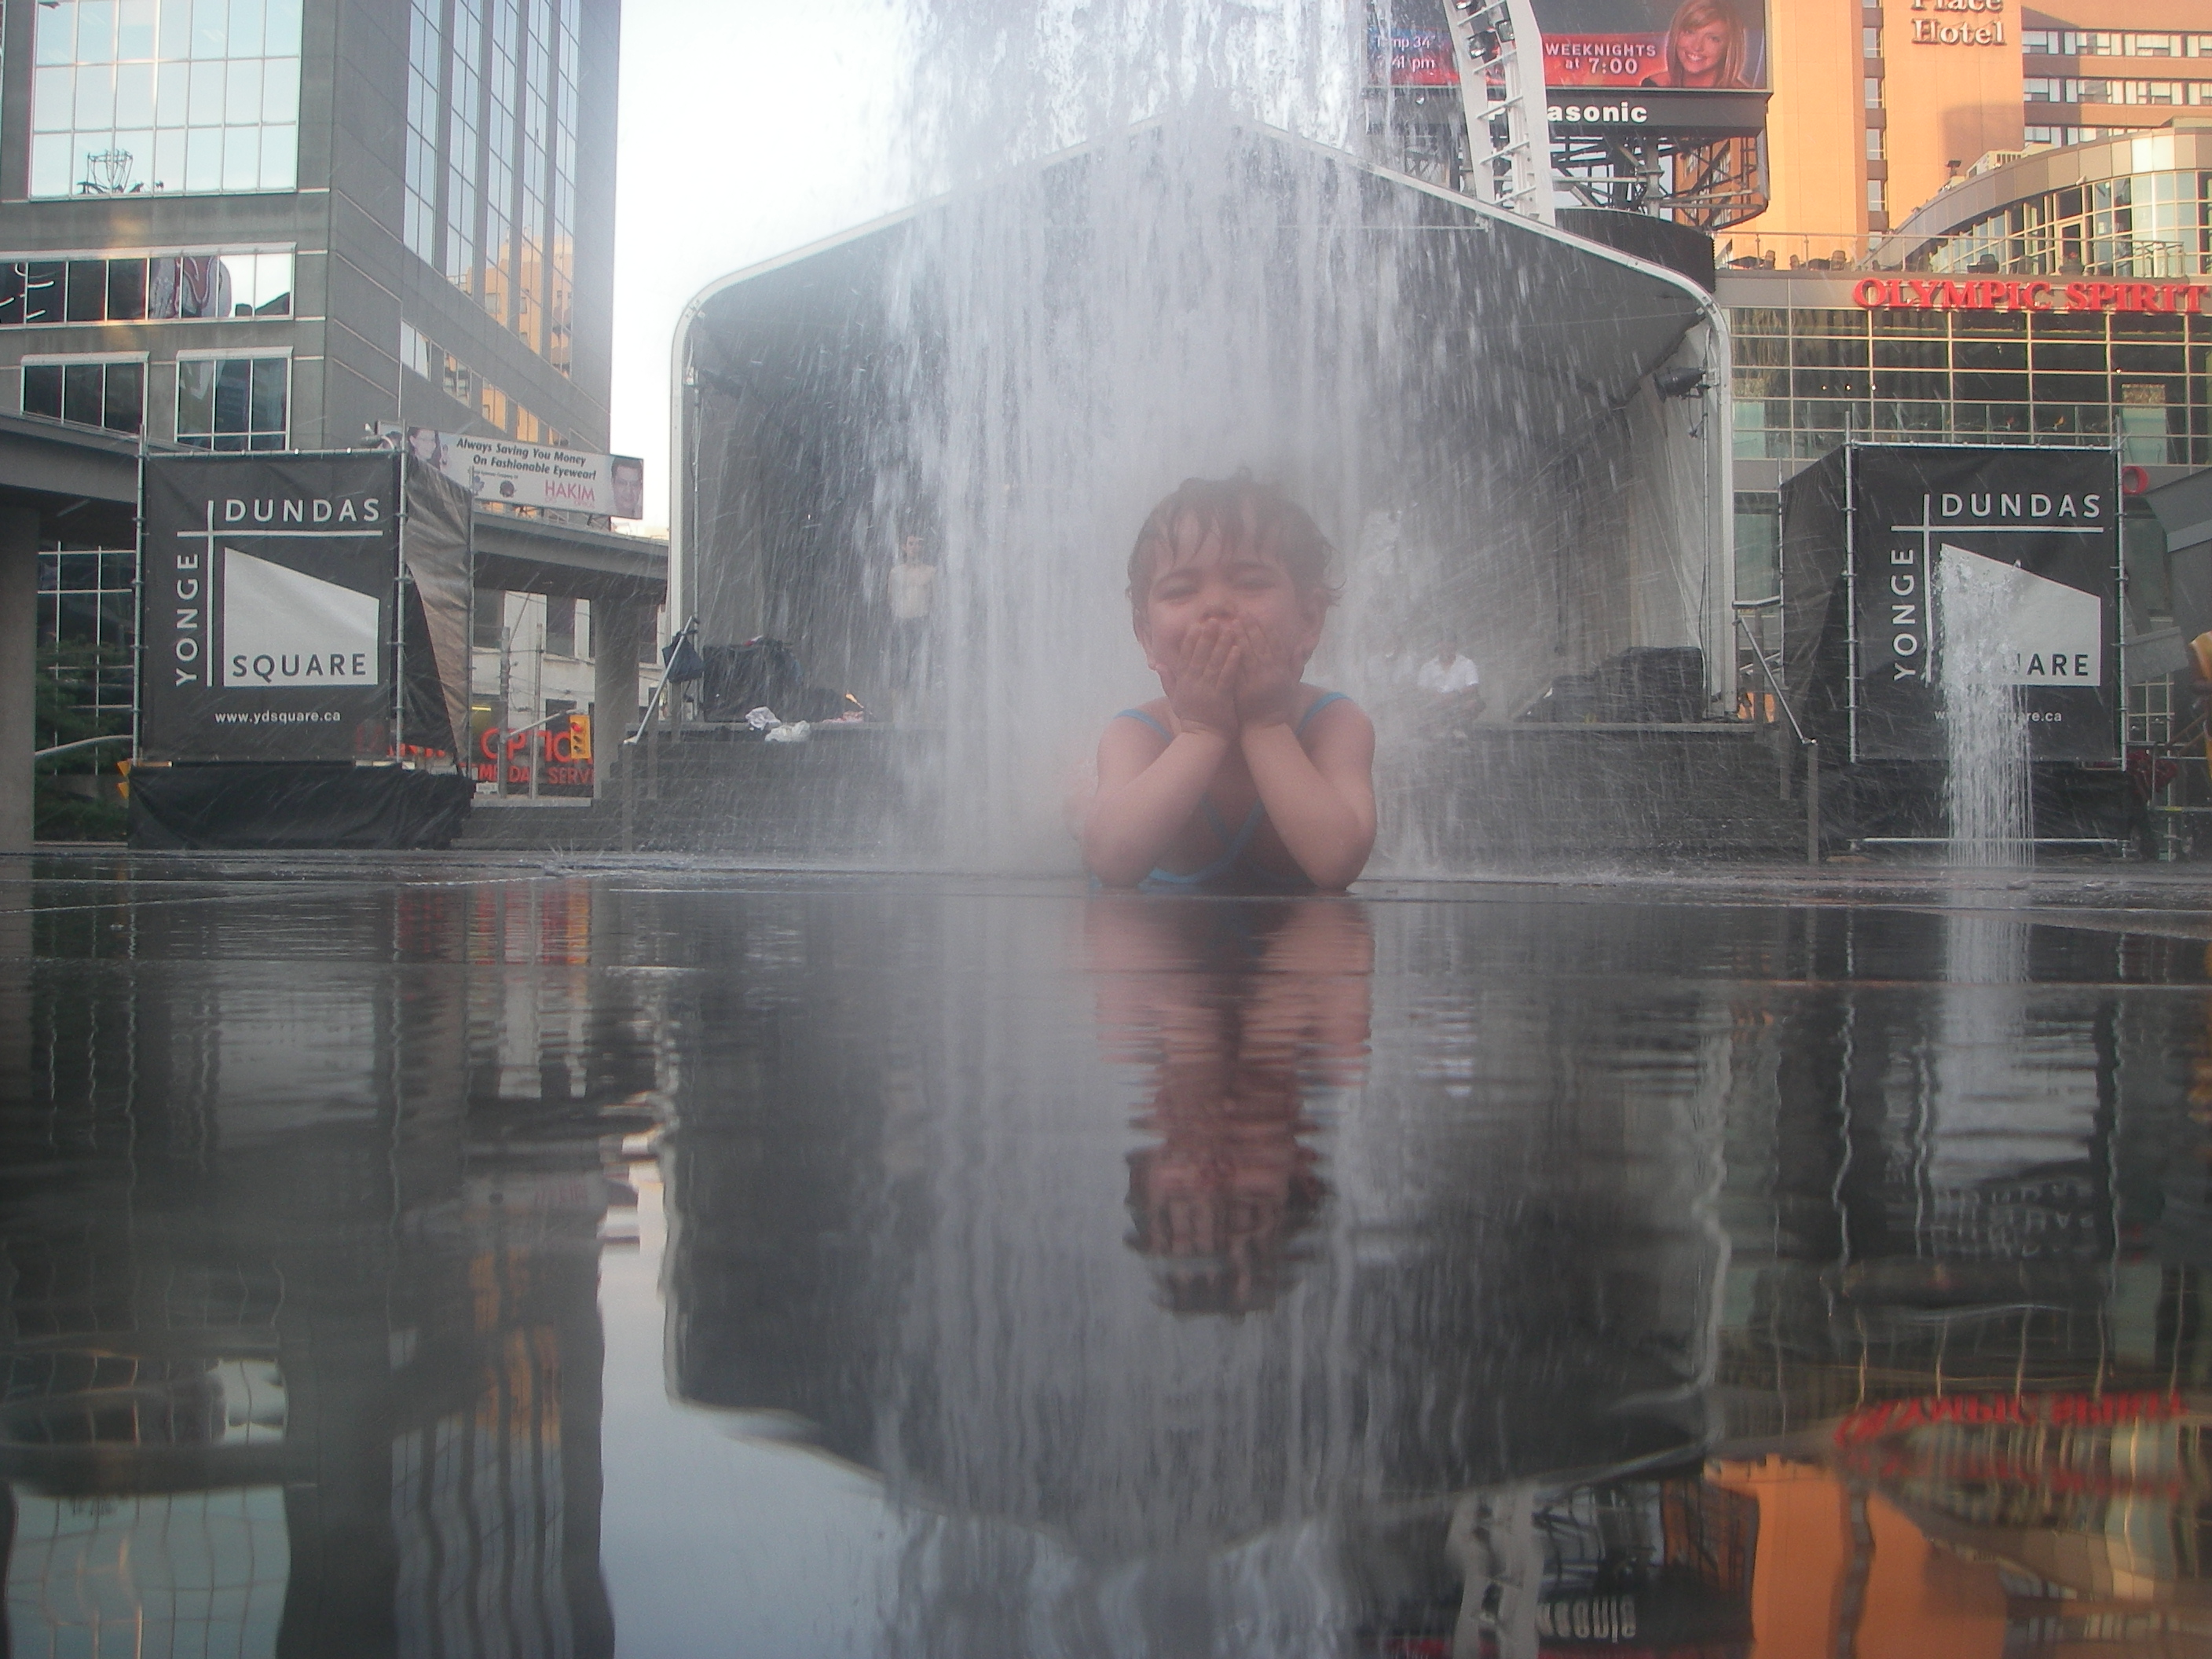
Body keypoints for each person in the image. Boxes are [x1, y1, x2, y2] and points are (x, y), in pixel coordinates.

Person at [1082, 475, 1375, 892]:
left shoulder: (1333, 724)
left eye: (1251, 583)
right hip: (1167, 928)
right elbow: (1111, 863)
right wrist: (1201, 732)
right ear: (1147, 636)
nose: (1216, 606)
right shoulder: (1138, 734)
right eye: (1181, 590)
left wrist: (1267, 724)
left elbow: (1337, 863)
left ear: (1309, 619)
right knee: (1079, 807)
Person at [1640, 0, 1750, 90]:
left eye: (1713, 39)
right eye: (1689, 32)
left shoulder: (1741, 98)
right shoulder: (1654, 86)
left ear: (1728, 47)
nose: (1697, 46)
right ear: (1676, 35)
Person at [886, 533, 938, 718]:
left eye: (918, 544)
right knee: (898, 672)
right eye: (911, 543)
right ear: (904, 547)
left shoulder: (931, 572)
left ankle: (926, 719)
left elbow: (935, 600)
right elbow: (890, 599)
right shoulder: (896, 573)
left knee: (925, 671)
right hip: (901, 623)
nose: (915, 547)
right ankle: (897, 719)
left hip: (922, 623)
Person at [1417, 640, 1487, 723]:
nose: (1446, 647)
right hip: (1435, 702)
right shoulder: (1428, 666)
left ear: (1455, 645)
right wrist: (1436, 696)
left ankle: (1460, 726)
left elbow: (1473, 686)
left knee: (1472, 703)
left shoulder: (1467, 663)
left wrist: (1455, 695)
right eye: (1443, 644)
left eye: (1449, 643)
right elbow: (1422, 688)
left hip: (1459, 701)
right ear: (1438, 645)